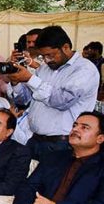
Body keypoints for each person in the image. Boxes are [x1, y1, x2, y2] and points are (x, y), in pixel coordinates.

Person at [9, 25, 99, 161]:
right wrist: (16, 82)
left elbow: (61, 101)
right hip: (34, 139)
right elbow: (26, 100)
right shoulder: (45, 69)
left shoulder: (84, 70)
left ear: (66, 47)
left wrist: (30, 78)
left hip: (61, 144)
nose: (46, 60)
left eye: (50, 55)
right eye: (43, 56)